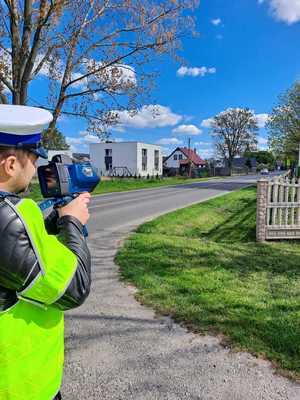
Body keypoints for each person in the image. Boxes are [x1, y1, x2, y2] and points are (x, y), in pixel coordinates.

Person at [0, 105, 92, 400]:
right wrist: (72, 222)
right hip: (20, 386)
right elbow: (73, 287)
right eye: (33, 157)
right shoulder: (12, 217)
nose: (36, 168)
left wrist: (51, 222)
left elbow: (21, 260)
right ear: (11, 164)